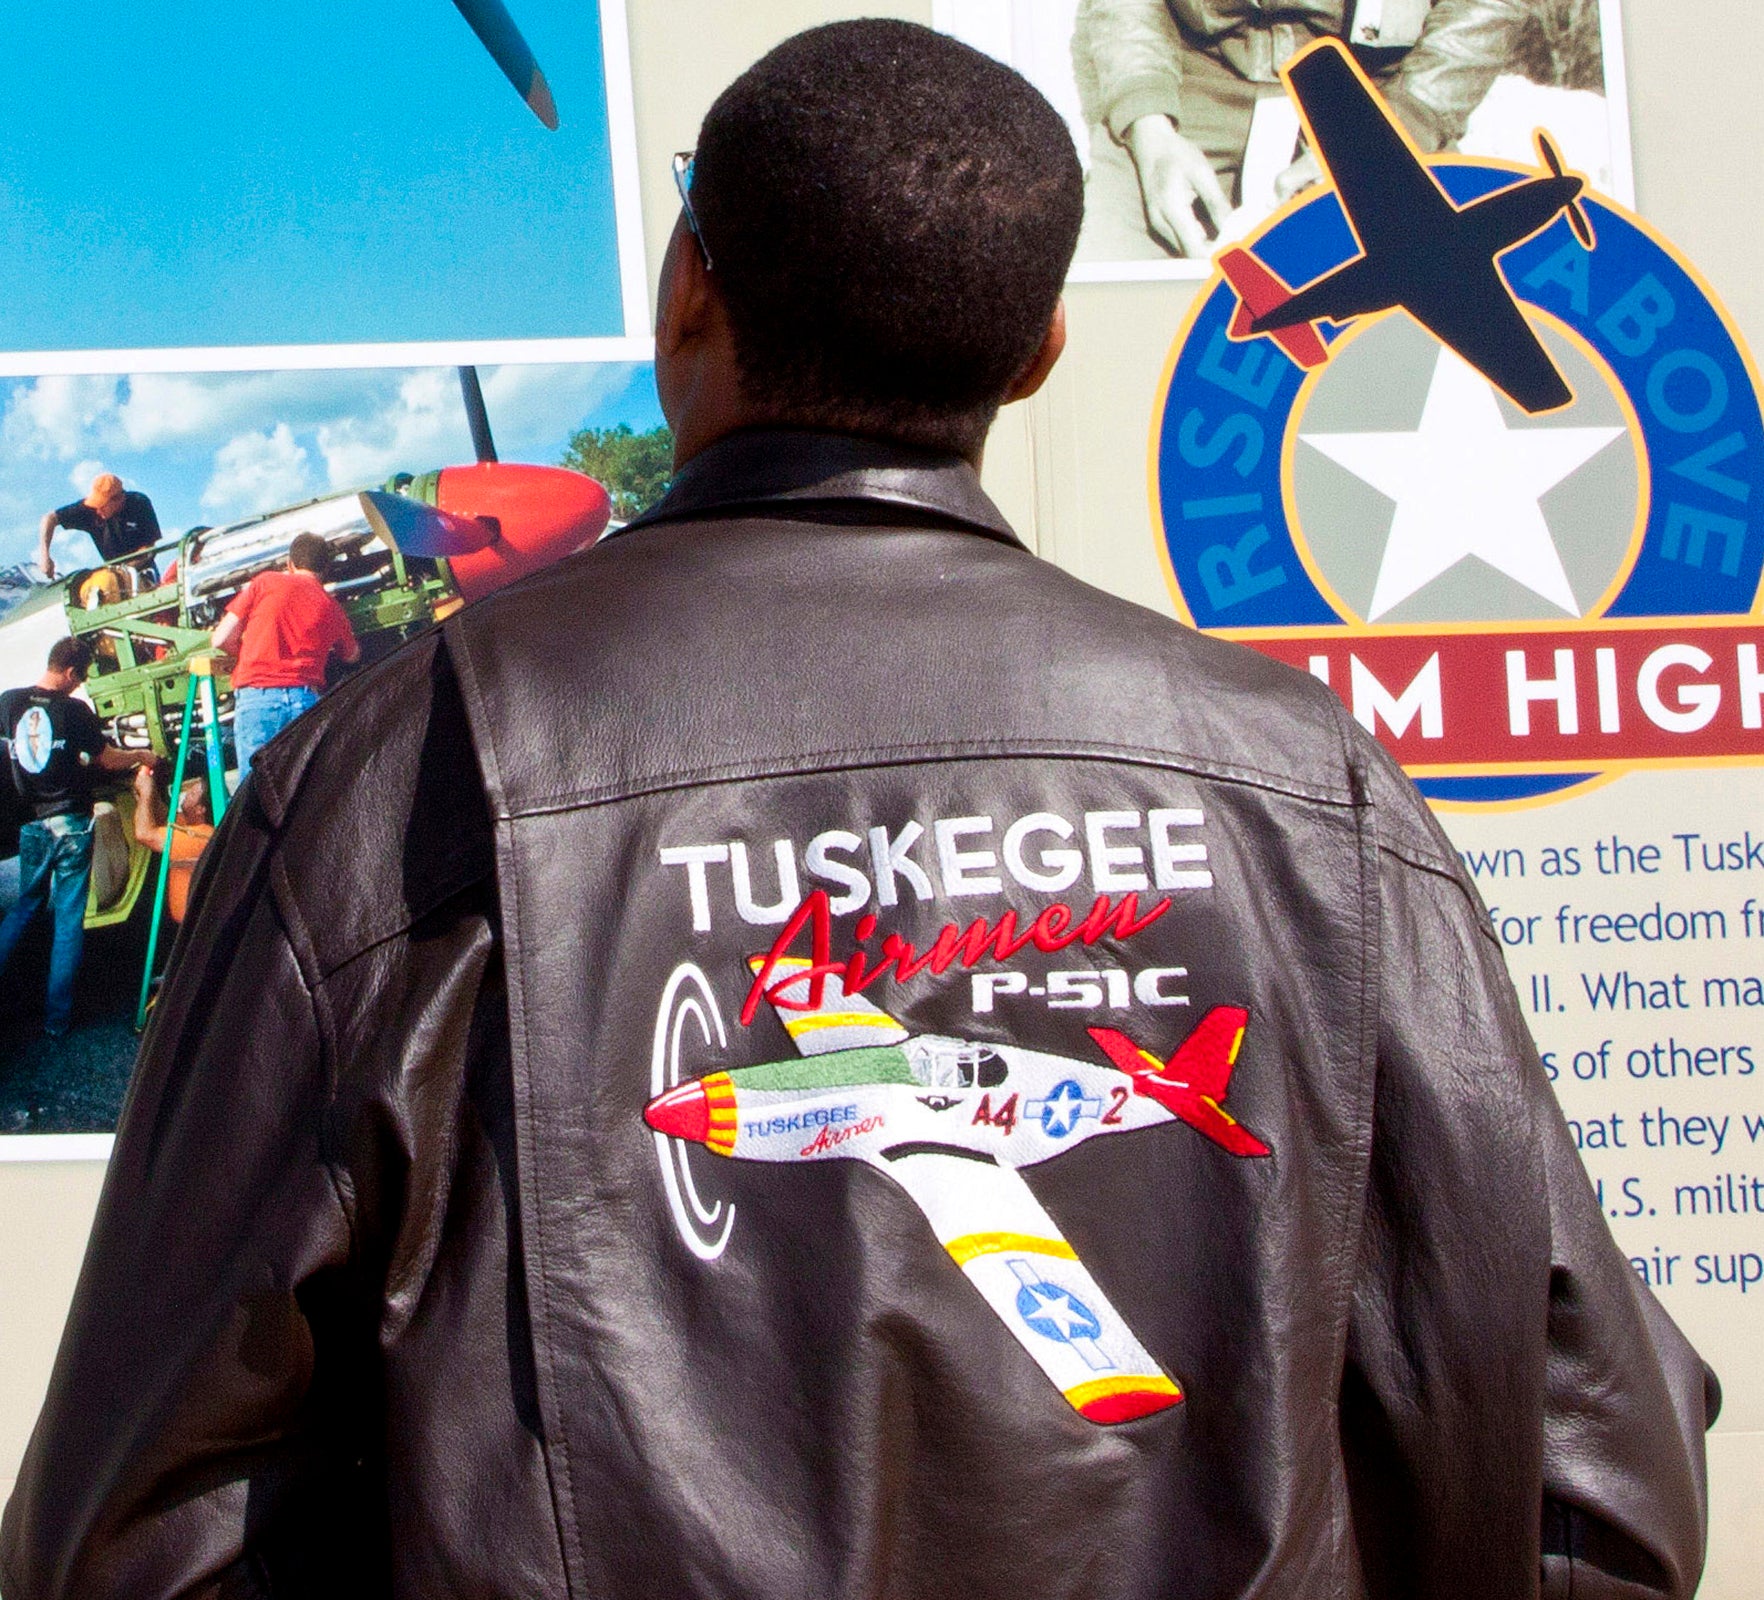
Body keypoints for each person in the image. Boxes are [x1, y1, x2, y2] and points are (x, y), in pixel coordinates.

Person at [0, 21, 1711, 1599]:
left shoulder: (389, 765)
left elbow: (130, 1525)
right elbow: (1598, 1482)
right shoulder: (1307, 782)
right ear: (1040, 351)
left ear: (684, 294)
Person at [1073, 0, 1550, 260]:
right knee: (1103, 303)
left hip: (1378, 88)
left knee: (1424, 307)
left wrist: (1395, 127)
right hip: (1190, 75)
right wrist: (1150, 127)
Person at [0, 638, 152, 1037]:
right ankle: (57, 1021)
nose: (80, 683)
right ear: (71, 673)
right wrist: (142, 756)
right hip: (71, 825)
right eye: (80, 676)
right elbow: (106, 759)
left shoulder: (9, 702)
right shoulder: (75, 710)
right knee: (68, 919)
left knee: (24, 908)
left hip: (32, 823)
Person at [210, 532, 359, 776]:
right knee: (307, 790)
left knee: (255, 793)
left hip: (258, 700)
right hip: (305, 703)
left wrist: (249, 653)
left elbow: (220, 638)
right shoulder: (332, 607)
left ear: (290, 564)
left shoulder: (265, 582)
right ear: (326, 568)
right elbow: (352, 655)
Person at [129, 764, 214, 926]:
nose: (188, 793)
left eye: (194, 794)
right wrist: (149, 793)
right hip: (189, 923)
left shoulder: (198, 836)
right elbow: (167, 819)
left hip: (194, 927)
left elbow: (144, 834)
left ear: (200, 809)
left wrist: (146, 794)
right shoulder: (193, 826)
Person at [38, 474, 163, 584]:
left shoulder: (139, 503)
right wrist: (45, 556)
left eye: (102, 505)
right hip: (112, 576)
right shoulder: (89, 511)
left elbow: (149, 548)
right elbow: (49, 518)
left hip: (144, 572)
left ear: (118, 499)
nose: (97, 510)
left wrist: (123, 572)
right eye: (95, 504)